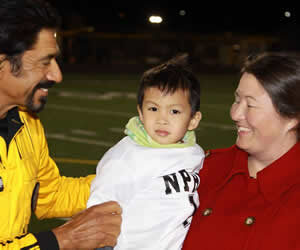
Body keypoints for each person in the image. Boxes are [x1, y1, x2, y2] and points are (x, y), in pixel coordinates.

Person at [0, 0, 121, 249]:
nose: (57, 75)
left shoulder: (25, 124)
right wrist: (62, 240)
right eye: (45, 62)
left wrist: (136, 179)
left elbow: (50, 195)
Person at [182, 51, 300, 250]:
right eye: (237, 100)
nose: (235, 114)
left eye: (251, 105)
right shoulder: (204, 169)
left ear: (292, 118)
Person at [87, 54, 205, 249]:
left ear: (193, 120)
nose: (162, 119)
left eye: (174, 111)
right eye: (153, 109)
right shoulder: (126, 157)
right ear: (140, 113)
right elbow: (99, 214)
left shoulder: (194, 153)